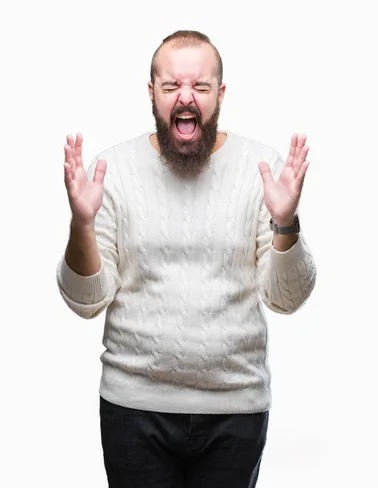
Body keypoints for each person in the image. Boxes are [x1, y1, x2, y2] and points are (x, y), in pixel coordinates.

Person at [56, 29, 317, 488]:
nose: (186, 97)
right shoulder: (110, 171)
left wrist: (286, 222)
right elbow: (86, 301)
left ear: (220, 93)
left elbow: (286, 298)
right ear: (152, 93)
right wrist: (81, 224)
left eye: (199, 86)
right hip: (133, 410)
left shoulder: (261, 168)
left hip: (235, 409)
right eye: (171, 85)